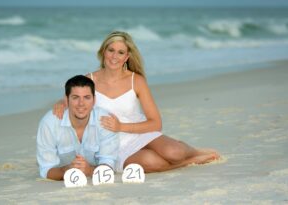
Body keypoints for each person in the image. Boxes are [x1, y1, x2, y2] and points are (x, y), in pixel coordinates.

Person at [53, 31, 220, 173]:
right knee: (151, 161)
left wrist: (121, 127)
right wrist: (62, 102)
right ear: (103, 51)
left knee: (173, 152)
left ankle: (193, 151)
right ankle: (187, 162)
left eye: (120, 52)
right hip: (110, 144)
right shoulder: (88, 80)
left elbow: (156, 123)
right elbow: (75, 98)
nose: (114, 56)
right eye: (111, 50)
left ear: (126, 57)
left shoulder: (136, 81)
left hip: (139, 132)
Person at [37, 75, 118, 180]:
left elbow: (109, 164)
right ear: (66, 100)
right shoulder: (49, 123)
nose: (81, 103)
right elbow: (46, 170)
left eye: (87, 97)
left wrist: (89, 171)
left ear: (94, 100)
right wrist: (66, 171)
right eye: (75, 97)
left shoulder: (105, 121)